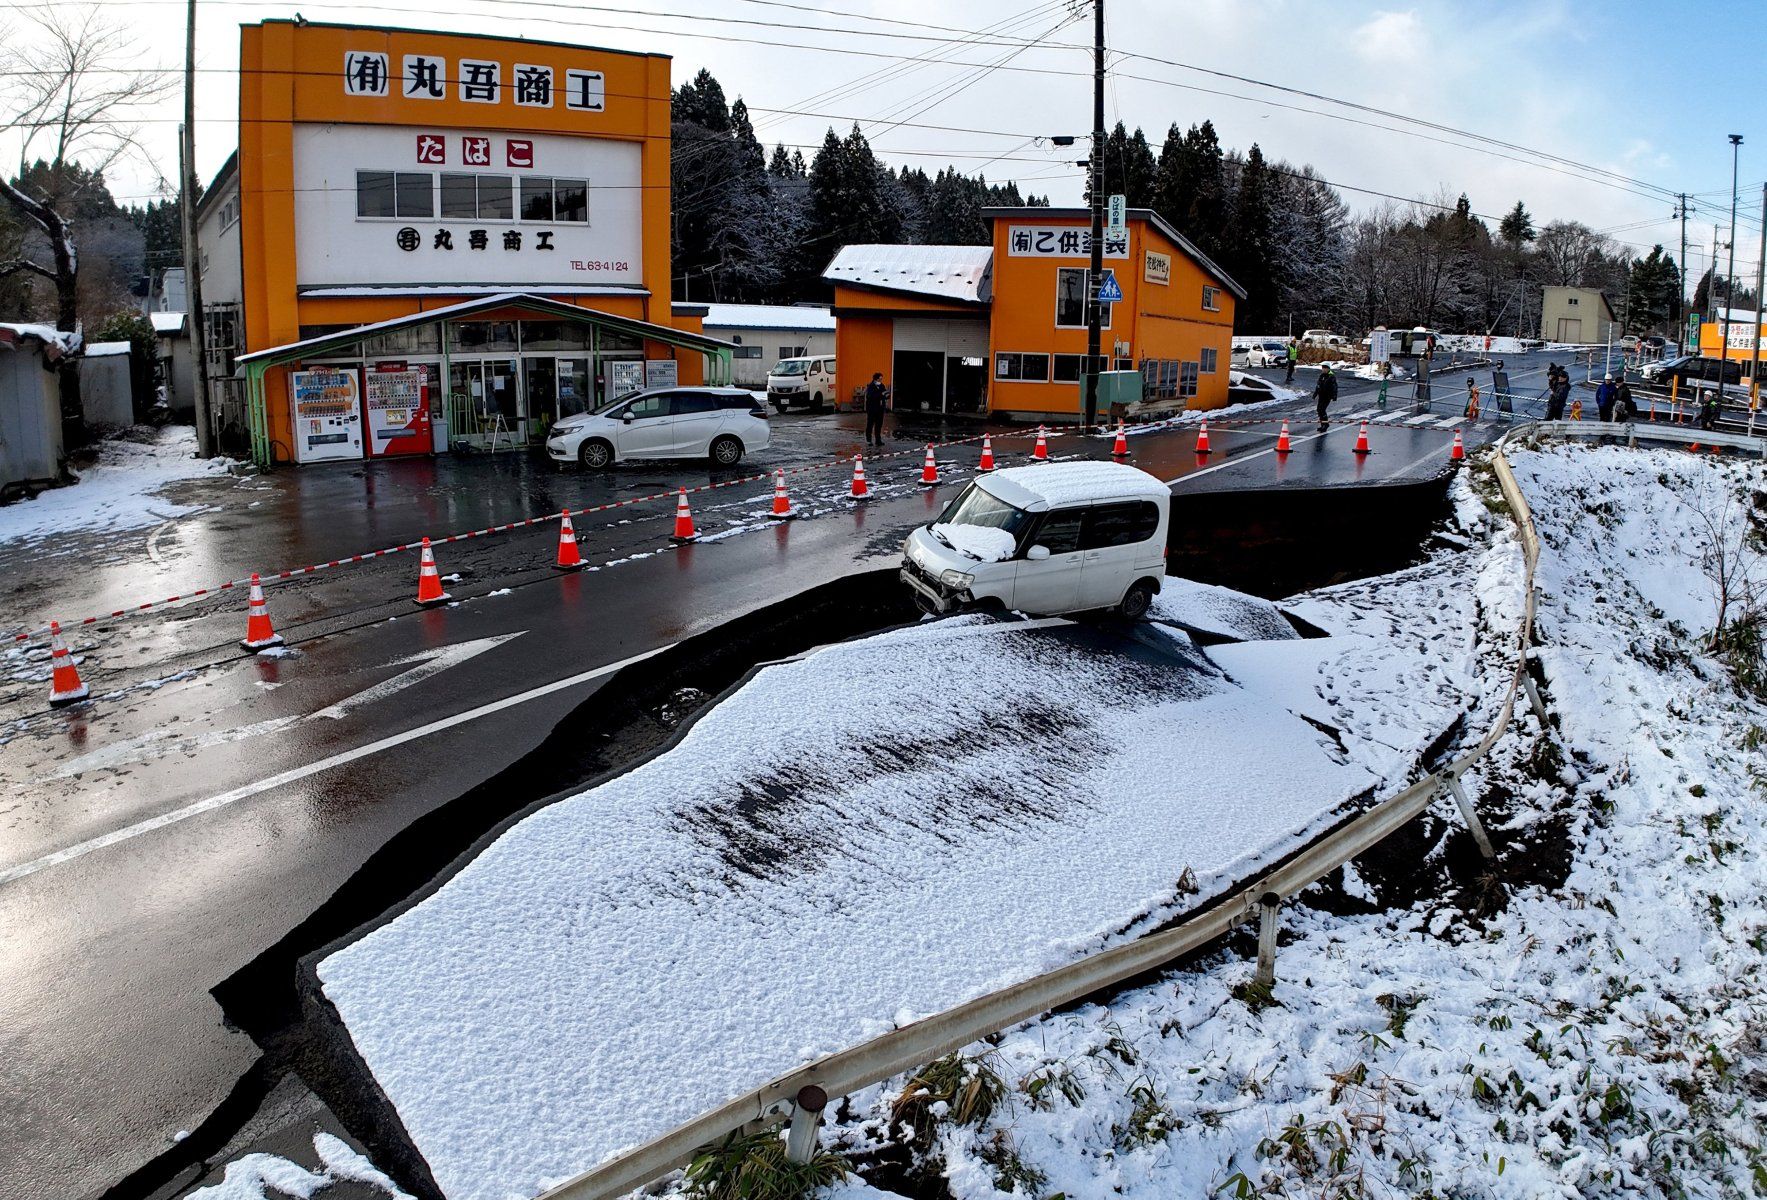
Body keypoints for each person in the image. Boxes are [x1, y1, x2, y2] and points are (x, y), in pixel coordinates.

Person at [863, 372, 889, 447]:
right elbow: (870, 396)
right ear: (876, 379)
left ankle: (878, 440)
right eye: (879, 379)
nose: (881, 380)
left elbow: (885, 394)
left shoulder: (882, 386)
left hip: (880, 409)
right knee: (870, 424)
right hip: (872, 409)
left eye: (881, 379)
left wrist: (886, 395)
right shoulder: (871, 386)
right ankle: (869, 440)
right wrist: (881, 395)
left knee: (879, 425)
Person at [1313, 362, 1337, 429]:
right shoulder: (1322, 375)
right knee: (1319, 409)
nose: (1323, 369)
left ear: (1328, 369)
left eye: (1325, 368)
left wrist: (1334, 396)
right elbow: (1318, 386)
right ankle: (1323, 424)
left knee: (1322, 409)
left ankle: (1325, 424)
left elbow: (1334, 387)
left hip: (1327, 396)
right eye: (1323, 368)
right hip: (1321, 395)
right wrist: (1315, 394)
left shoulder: (1331, 376)